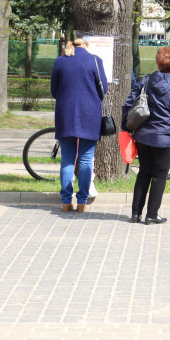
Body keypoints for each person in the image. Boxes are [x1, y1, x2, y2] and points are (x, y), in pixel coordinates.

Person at [122, 47, 170, 224]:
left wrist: (126, 127)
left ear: (158, 63)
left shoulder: (144, 82)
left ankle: (135, 214)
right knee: (159, 177)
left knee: (143, 173)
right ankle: (152, 215)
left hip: (143, 137)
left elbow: (129, 104)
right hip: (166, 138)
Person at [50, 38, 108, 213]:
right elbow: (103, 89)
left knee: (67, 159)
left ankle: (66, 201)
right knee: (85, 158)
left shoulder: (60, 61)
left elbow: (54, 89)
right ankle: (82, 200)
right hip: (89, 114)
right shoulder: (95, 61)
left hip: (65, 113)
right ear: (86, 46)